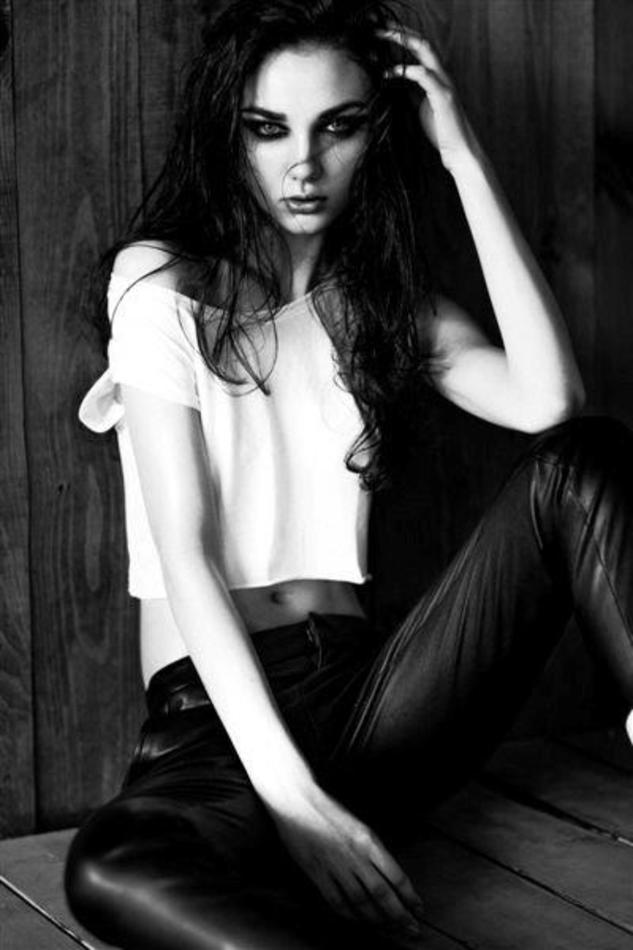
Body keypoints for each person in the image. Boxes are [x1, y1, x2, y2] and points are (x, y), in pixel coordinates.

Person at [65, 1, 633, 947]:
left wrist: (461, 155)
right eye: (268, 128)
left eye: (338, 126)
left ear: (378, 134)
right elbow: (186, 556)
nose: (303, 163)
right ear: (227, 135)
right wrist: (292, 801)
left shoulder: (380, 310)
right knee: (111, 867)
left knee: (582, 462)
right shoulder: (160, 285)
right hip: (216, 722)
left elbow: (548, 403)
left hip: (371, 702)